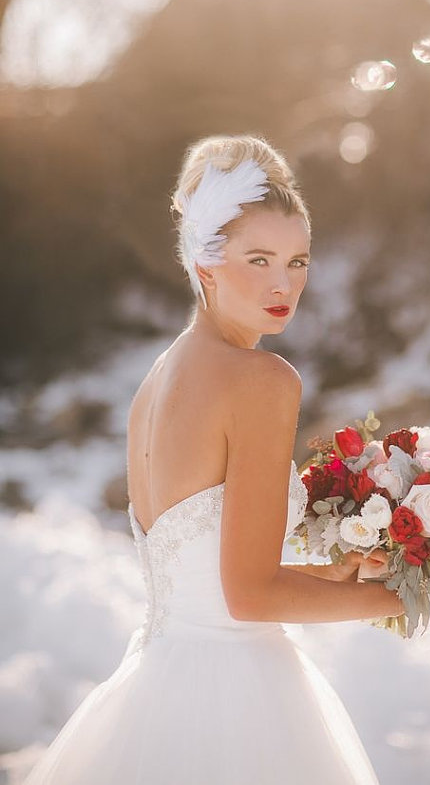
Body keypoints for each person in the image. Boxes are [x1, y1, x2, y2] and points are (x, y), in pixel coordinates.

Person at [23, 133, 404, 785]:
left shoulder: (159, 379)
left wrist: (334, 573)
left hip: (156, 682)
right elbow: (249, 595)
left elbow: (204, 568)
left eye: (298, 260)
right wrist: (399, 597)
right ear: (206, 261)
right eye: (259, 259)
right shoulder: (261, 380)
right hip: (240, 696)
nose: (284, 283)